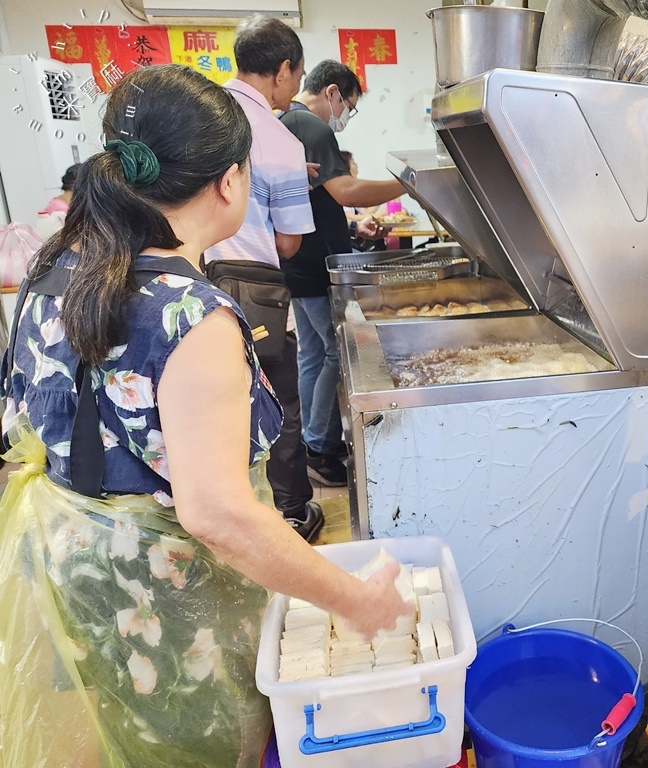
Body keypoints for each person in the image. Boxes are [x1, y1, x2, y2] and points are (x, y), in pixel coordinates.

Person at [0, 64, 410, 768]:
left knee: (124, 734)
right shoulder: (190, 316)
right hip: (163, 597)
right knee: (198, 744)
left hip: (74, 570)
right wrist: (354, 600)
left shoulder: (53, 267)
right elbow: (217, 515)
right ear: (230, 182)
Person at [204, 16, 324, 540]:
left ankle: (230, 515)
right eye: (297, 75)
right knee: (280, 403)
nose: (297, 86)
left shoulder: (197, 115)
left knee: (213, 410)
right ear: (282, 71)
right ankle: (292, 514)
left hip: (187, 283)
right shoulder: (278, 140)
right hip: (254, 293)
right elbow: (287, 243)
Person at [279, 60, 406, 485]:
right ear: (332, 93)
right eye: (349, 104)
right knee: (334, 353)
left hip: (300, 264)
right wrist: (409, 183)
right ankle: (321, 445)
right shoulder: (311, 126)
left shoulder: (288, 122)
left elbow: (314, 202)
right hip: (316, 266)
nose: (346, 115)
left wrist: (352, 226)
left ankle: (311, 445)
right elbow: (345, 190)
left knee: (313, 354)